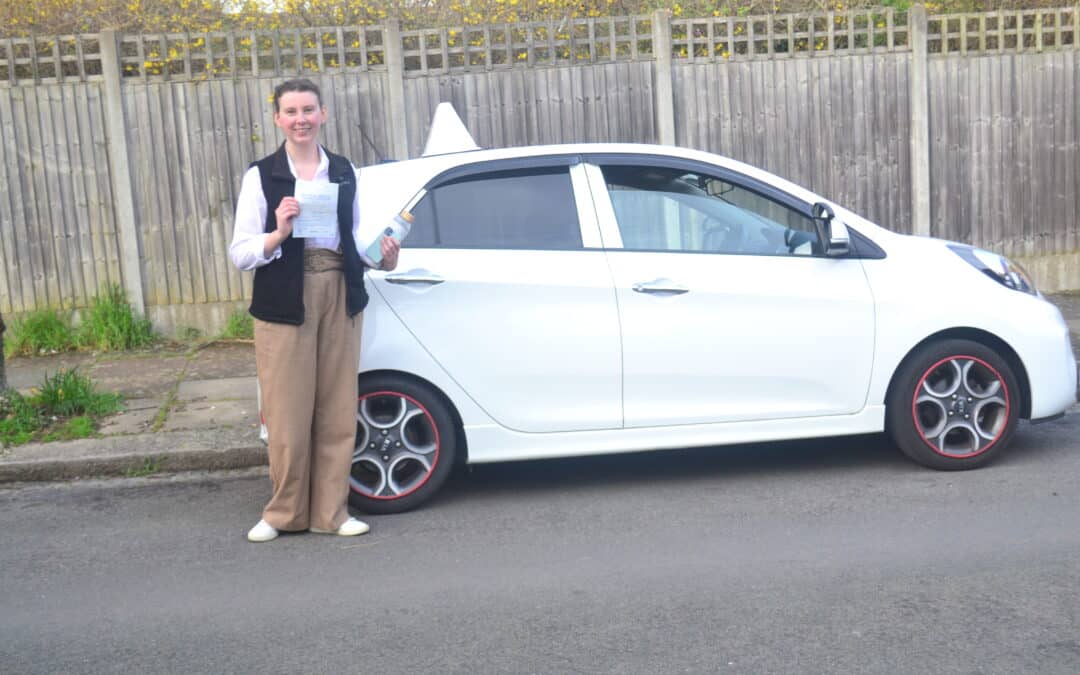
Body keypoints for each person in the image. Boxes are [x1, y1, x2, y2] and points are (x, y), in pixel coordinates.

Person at [228, 78, 400, 543]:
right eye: (291, 111)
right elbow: (240, 253)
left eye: (309, 109)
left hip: (339, 292)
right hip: (285, 297)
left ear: (323, 114)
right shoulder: (261, 175)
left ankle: (332, 512)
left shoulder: (343, 170)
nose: (301, 119)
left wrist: (382, 256)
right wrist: (279, 233)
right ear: (278, 119)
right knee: (287, 411)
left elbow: (357, 238)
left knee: (336, 408)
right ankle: (283, 512)